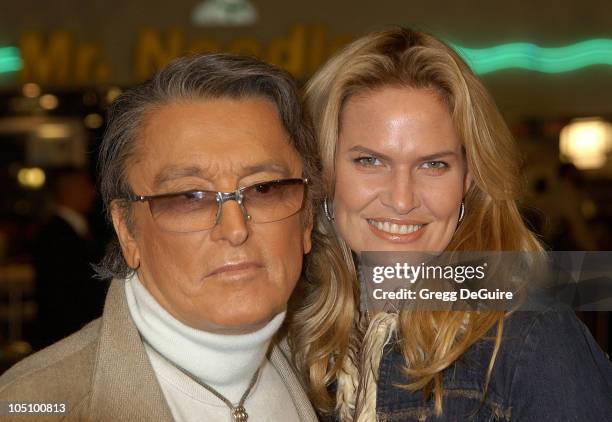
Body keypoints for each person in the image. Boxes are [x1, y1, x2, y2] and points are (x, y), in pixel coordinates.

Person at [292, 27, 612, 421]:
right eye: (370, 161)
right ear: (324, 172)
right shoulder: (300, 340)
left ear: (468, 180)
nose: (402, 199)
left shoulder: (530, 341)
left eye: (433, 164)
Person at [0, 54, 320, 421]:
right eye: (189, 198)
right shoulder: (34, 404)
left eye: (264, 189)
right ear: (126, 230)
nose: (235, 229)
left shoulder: (336, 380)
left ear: (307, 219)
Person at [31, 166, 107, 350]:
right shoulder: (56, 233)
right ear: (69, 191)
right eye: (85, 186)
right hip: (66, 333)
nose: (92, 192)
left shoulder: (77, 228)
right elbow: (65, 290)